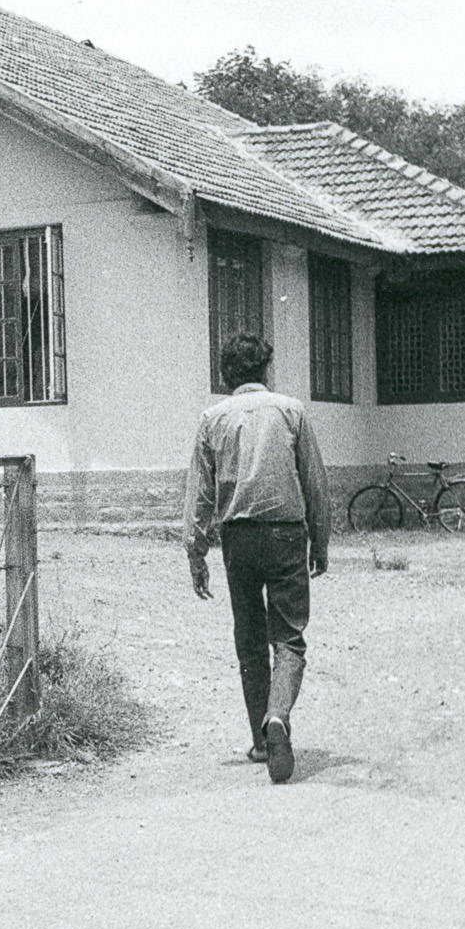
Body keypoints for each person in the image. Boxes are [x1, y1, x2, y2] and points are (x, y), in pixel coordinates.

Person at [183, 332, 330, 784]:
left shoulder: (213, 419)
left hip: (238, 540)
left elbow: (199, 494)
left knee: (249, 639)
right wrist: (319, 543)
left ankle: (262, 741)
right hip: (286, 535)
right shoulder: (291, 411)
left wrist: (196, 551)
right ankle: (278, 717)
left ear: (227, 375)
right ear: (265, 369)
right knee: (288, 639)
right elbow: (315, 484)